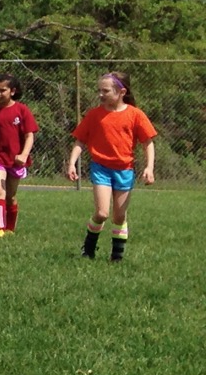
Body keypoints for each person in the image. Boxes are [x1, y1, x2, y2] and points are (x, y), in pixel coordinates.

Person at [67, 71, 157, 262]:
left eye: (105, 91)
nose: (100, 94)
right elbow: (80, 141)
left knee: (119, 216)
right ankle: (89, 248)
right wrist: (72, 162)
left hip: (124, 170)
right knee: (102, 213)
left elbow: (148, 142)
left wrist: (149, 167)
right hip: (101, 168)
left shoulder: (135, 115)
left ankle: (117, 257)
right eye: (99, 90)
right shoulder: (94, 115)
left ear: (121, 92)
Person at [0, 75, 39, 236]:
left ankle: (10, 229)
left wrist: (24, 154)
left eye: (2, 90)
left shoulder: (22, 110)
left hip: (15, 161)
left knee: (10, 197)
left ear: (12, 91)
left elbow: (29, 136)